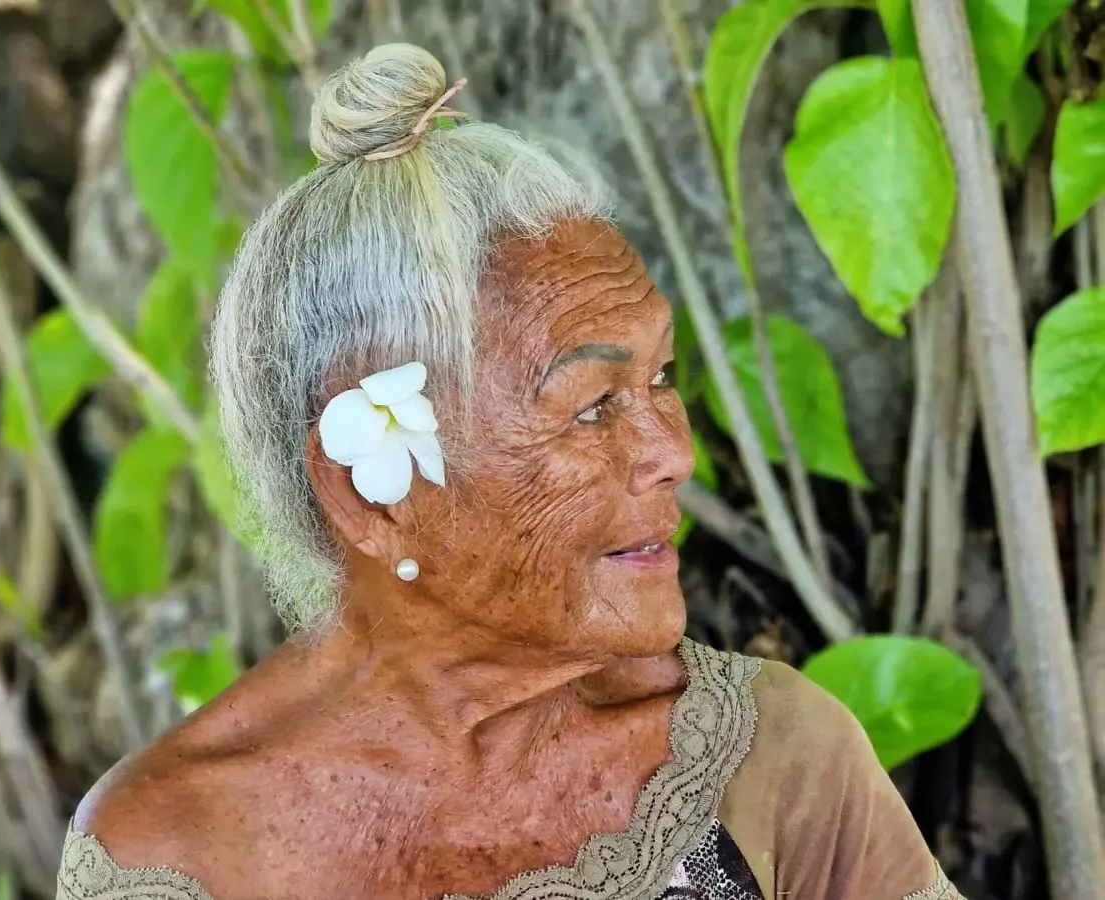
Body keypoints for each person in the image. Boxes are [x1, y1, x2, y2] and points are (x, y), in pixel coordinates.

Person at [55, 42, 963, 900]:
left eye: (661, 378)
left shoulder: (767, 758)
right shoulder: (167, 852)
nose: (673, 453)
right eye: (593, 405)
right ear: (373, 492)